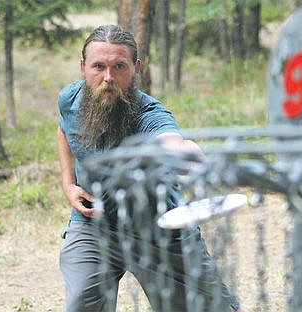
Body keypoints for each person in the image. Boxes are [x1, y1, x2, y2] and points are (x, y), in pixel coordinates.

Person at [57, 24, 241, 312]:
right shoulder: (71, 99)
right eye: (98, 67)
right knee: (81, 301)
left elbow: (174, 143)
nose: (108, 77)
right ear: (82, 67)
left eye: (119, 66)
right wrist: (68, 183)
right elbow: (63, 129)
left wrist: (195, 161)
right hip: (94, 227)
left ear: (136, 67)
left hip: (160, 231)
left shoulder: (150, 114)